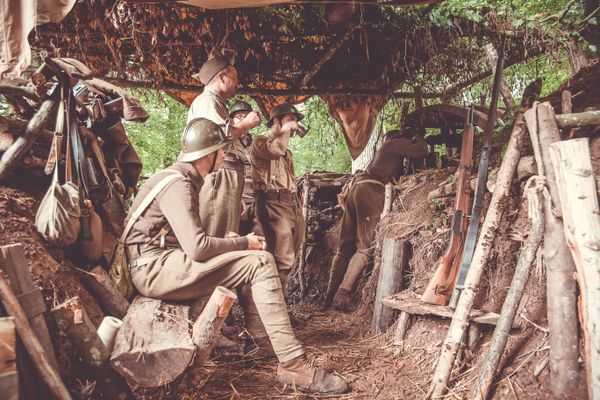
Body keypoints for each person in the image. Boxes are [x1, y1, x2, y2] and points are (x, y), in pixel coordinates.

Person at [124, 118, 347, 394]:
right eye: (222, 151)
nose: (225, 158)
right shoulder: (178, 184)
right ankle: (291, 363)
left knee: (253, 260)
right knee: (261, 261)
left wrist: (228, 244)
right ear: (209, 155)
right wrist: (242, 243)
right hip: (152, 269)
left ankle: (270, 344)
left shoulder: (180, 178)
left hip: (158, 263)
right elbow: (197, 247)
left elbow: (185, 239)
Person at [325, 129, 428, 312]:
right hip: (369, 190)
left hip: (356, 189)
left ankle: (329, 297)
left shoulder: (383, 154)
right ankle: (342, 294)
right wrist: (419, 136)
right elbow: (421, 150)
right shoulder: (393, 145)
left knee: (344, 247)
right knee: (364, 248)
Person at [188, 55, 260, 237]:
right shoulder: (207, 101)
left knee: (226, 231)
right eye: (234, 77)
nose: (237, 82)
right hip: (220, 174)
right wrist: (245, 125)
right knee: (217, 232)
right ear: (221, 77)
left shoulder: (215, 103)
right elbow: (215, 137)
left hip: (227, 176)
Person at [249, 102, 306, 297]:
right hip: (271, 203)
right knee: (281, 260)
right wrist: (284, 131)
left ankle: (279, 305)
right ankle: (273, 312)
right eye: (290, 119)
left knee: (290, 257)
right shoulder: (259, 141)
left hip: (289, 203)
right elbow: (273, 151)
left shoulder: (286, 150)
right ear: (276, 121)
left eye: (295, 121)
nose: (294, 125)